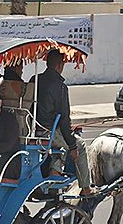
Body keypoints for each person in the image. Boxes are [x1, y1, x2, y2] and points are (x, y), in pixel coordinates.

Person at [35, 48, 94, 196]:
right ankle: (86, 188)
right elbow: (65, 120)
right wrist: (73, 145)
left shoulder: (35, 80)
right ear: (59, 66)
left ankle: (55, 170)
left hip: (33, 128)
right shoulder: (60, 87)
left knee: (64, 140)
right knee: (79, 144)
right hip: (47, 132)